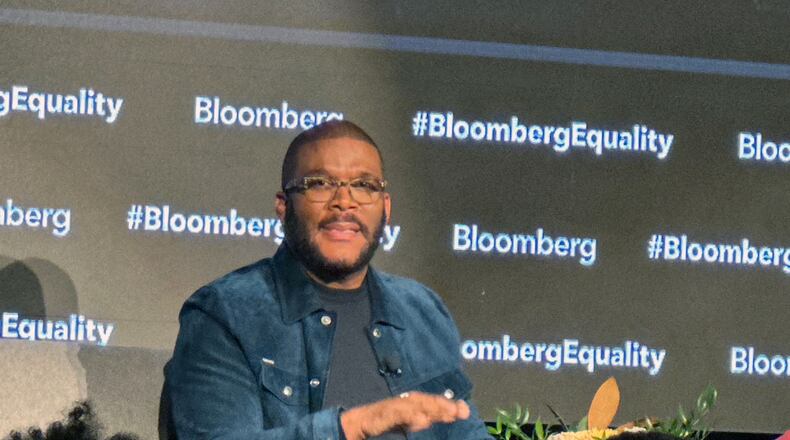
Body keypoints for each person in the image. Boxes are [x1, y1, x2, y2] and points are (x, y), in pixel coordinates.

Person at [165, 120, 490, 439]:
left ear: (385, 209)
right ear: (283, 206)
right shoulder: (225, 313)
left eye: (364, 186)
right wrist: (355, 426)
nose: (344, 203)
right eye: (320, 184)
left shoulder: (423, 311)